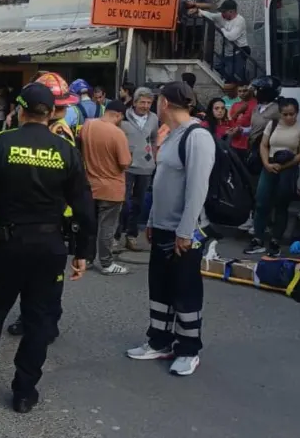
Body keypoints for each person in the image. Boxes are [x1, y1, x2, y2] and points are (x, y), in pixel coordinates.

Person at [0, 82, 95, 412]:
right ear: (51, 112)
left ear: (20, 110)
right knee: (38, 321)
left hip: (6, 245)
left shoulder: (1, 144)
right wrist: (83, 252)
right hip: (49, 247)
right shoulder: (65, 149)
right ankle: (24, 393)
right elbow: (85, 206)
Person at [127, 81, 215, 377]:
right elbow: (161, 182)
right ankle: (160, 341)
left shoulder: (197, 136)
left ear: (165, 102)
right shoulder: (173, 134)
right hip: (163, 227)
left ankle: (189, 349)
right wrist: (152, 220)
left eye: (157, 100)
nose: (154, 105)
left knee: (185, 290)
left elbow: (197, 189)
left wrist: (186, 231)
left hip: (184, 231)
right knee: (160, 286)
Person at [6, 71, 81, 339]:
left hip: (53, 215)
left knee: (48, 280)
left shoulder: (58, 132)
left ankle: (45, 323)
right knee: (38, 275)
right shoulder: (52, 129)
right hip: (48, 212)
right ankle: (32, 318)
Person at [244, 98, 300, 257]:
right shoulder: (273, 125)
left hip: (288, 168)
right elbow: (264, 145)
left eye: (292, 114)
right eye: (285, 114)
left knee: (281, 205)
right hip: (269, 165)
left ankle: (275, 241)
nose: (289, 117)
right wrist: (266, 164)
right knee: (261, 202)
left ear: (297, 113)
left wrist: (284, 166)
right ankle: (258, 239)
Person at [80, 100, 131, 275]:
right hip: (112, 188)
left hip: (90, 184)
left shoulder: (87, 125)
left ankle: (86, 258)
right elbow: (124, 163)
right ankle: (106, 263)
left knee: (90, 226)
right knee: (107, 227)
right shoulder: (118, 134)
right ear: (118, 115)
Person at [117, 87, 158, 251]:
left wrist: (154, 155)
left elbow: (154, 138)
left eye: (149, 103)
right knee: (123, 203)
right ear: (134, 102)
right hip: (126, 166)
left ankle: (131, 235)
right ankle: (116, 235)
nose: (145, 106)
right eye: (142, 102)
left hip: (145, 166)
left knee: (139, 203)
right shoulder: (123, 117)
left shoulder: (154, 118)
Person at [197, 0, 249, 83]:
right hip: (227, 51)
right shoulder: (222, 16)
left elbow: (231, 37)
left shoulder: (240, 21)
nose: (222, 14)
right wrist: (199, 11)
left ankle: (240, 87)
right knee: (217, 67)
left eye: (224, 11)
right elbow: (210, 15)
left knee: (236, 73)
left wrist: (222, 29)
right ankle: (229, 84)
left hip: (239, 51)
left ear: (231, 12)